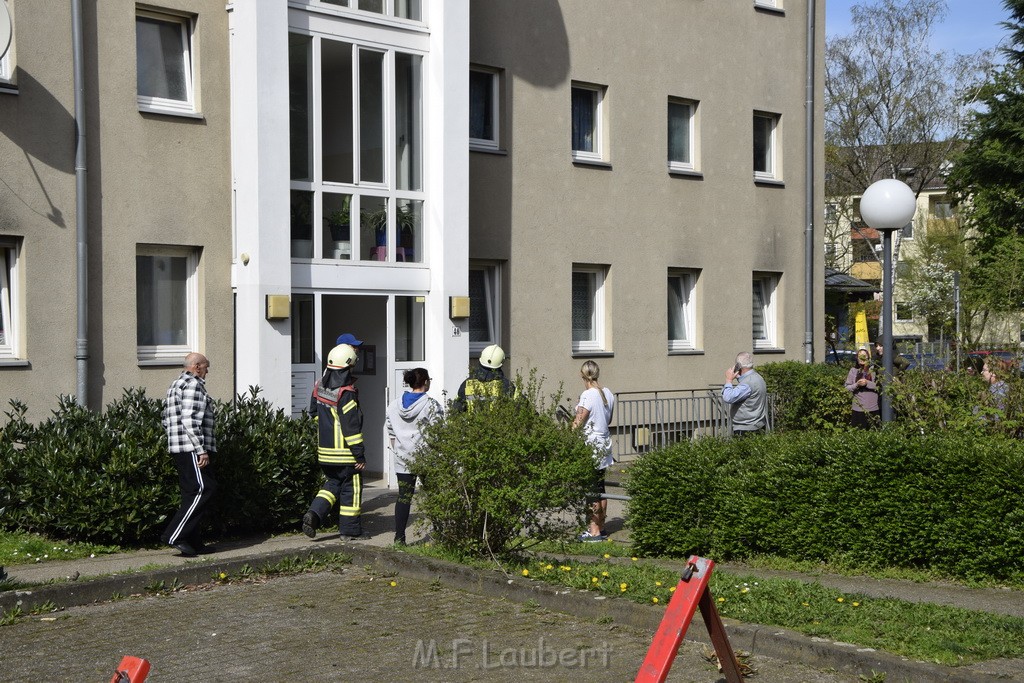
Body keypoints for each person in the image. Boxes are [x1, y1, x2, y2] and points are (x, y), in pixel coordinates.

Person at [302, 343, 367, 540]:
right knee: (351, 490)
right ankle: (350, 531)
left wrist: (328, 427)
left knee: (333, 484)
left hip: (325, 453)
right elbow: (351, 427)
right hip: (345, 454)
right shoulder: (346, 393)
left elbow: (313, 413)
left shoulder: (319, 387)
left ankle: (313, 514)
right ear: (348, 367)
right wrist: (359, 454)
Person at [160, 353, 218, 557]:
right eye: (206, 366)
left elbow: (166, 419)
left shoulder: (175, 384)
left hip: (179, 447)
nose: (207, 371)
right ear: (196, 366)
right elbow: (190, 420)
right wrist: (200, 449)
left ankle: (194, 542)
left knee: (191, 492)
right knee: (203, 489)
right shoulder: (193, 385)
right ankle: (175, 536)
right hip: (191, 448)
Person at [385, 367, 442, 546]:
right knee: (434, 496)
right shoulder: (431, 405)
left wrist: (401, 450)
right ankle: (440, 535)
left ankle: (399, 538)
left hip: (403, 459)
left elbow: (391, 432)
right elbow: (438, 432)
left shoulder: (394, 405)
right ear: (425, 382)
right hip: (426, 458)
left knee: (403, 498)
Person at [573, 361, 615, 542]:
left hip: (591, 445)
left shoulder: (588, 394)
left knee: (591, 489)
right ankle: (602, 527)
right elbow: (609, 419)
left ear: (583, 376)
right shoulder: (608, 393)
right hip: (604, 443)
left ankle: (594, 531)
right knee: (600, 486)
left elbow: (578, 422)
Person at [453, 344, 515, 411]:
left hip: (472, 421)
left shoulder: (467, 384)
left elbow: (456, 410)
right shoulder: (507, 386)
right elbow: (522, 406)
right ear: (502, 362)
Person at [722, 352, 768, 436]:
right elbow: (748, 390)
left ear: (738, 366)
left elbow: (728, 397)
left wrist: (728, 380)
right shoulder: (758, 377)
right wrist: (740, 378)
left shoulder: (747, 384)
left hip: (746, 429)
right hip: (758, 425)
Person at [845, 348, 880, 428]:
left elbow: (879, 387)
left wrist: (867, 383)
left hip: (873, 408)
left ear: (868, 358)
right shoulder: (853, 371)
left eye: (864, 356)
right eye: (859, 356)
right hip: (858, 409)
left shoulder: (874, 370)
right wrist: (857, 384)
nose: (862, 358)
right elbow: (847, 387)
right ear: (857, 358)